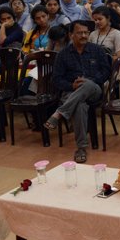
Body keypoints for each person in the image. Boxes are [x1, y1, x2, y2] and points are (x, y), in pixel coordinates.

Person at [48, 21, 112, 163]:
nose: (84, 35)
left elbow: (106, 72)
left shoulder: (97, 50)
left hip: (94, 90)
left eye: (86, 33)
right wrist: (72, 85)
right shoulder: (63, 54)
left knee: (87, 84)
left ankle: (60, 113)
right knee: (80, 106)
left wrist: (90, 81)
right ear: (71, 35)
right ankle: (81, 148)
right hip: (72, 92)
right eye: (80, 33)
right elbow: (57, 80)